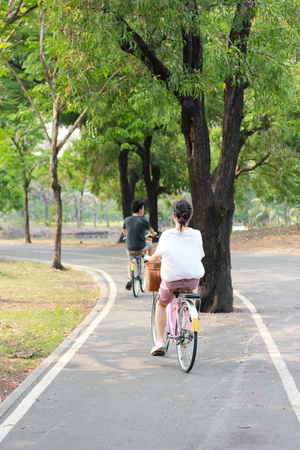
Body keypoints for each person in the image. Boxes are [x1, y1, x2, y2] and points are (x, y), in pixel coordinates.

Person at [144, 199, 205, 356]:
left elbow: (156, 257)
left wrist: (148, 258)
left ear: (174, 215)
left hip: (172, 281)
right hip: (192, 279)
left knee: (162, 303)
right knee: (190, 294)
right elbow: (200, 255)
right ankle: (189, 320)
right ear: (189, 216)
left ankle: (160, 340)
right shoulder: (197, 234)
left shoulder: (167, 234)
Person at [122, 200, 156, 291]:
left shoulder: (127, 219)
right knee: (150, 244)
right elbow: (151, 232)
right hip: (141, 247)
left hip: (130, 247)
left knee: (130, 261)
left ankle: (130, 278)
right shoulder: (144, 220)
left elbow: (124, 232)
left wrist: (127, 235)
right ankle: (147, 260)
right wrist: (154, 234)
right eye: (143, 208)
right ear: (141, 210)